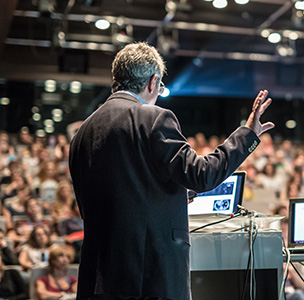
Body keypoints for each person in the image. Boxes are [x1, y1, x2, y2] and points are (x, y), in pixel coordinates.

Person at [69, 42, 274, 300]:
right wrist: (248, 134)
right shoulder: (153, 117)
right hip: (148, 276)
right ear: (153, 82)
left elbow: (113, 198)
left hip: (98, 278)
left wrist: (171, 195)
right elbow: (203, 175)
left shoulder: (82, 133)